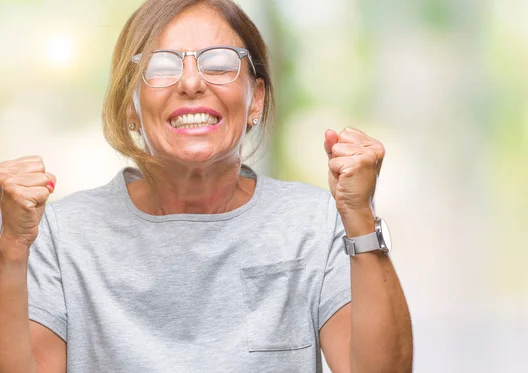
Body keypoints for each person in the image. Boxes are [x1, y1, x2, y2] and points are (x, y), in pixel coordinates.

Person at [0, 0, 412, 372]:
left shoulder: (313, 223)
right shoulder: (62, 234)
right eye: (162, 66)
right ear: (130, 106)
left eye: (218, 63)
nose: (192, 83)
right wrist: (13, 247)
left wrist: (359, 216)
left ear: (256, 100)